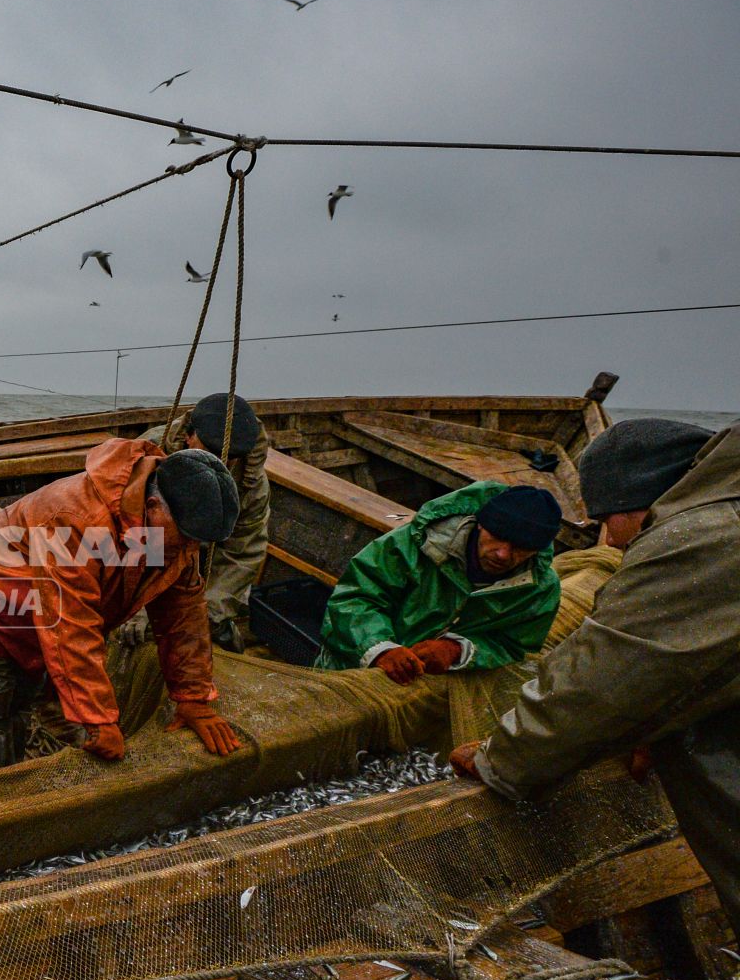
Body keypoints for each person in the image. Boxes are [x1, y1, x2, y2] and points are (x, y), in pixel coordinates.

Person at [451, 419, 740, 929]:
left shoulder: (700, 538)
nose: (607, 539)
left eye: (606, 520)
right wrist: (655, 724)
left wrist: (503, 757)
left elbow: (604, 680)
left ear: (639, 502)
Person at [0, 438, 243, 770]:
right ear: (154, 506)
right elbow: (69, 625)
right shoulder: (75, 518)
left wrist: (193, 698)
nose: (191, 549)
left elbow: (183, 616)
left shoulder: (175, 537)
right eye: (187, 538)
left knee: (22, 700)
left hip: (45, 615)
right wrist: (98, 719)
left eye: (198, 543)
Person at [315, 482, 563, 683]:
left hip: (429, 692)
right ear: (480, 524)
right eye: (497, 537)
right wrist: (380, 649)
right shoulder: (410, 544)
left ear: (537, 550)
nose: (503, 554)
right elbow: (355, 598)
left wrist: (456, 650)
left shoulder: (541, 589)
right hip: (348, 673)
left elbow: (513, 645)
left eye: (522, 548)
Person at [119, 392, 273, 650]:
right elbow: (122, 530)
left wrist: (210, 611)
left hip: (204, 561)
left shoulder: (252, 487)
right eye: (210, 451)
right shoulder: (146, 455)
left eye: (228, 457)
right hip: (146, 552)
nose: (218, 463)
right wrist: (141, 603)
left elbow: (243, 554)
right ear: (189, 435)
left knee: (215, 635)